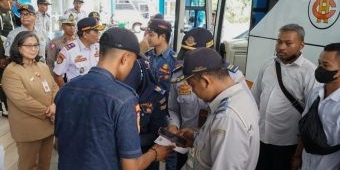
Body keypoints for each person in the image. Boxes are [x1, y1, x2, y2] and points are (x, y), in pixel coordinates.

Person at [55, 27, 172, 170]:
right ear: (125, 58)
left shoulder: (66, 89)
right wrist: (155, 153)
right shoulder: (124, 98)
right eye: (133, 62)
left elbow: (58, 144)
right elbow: (131, 167)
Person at [168, 27, 252, 170]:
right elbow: (173, 108)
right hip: (187, 141)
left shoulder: (232, 79)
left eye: (194, 55)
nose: (188, 61)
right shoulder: (179, 74)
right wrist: (174, 126)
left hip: (213, 144)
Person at [251, 23, 320, 170]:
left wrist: (297, 154)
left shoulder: (309, 72)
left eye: (288, 43)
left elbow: (310, 118)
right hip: (260, 138)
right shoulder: (268, 64)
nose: (281, 47)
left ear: (301, 45)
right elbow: (254, 98)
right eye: (279, 41)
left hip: (287, 145)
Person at [2, 31, 58, 170]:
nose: (33, 49)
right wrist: (49, 111)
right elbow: (23, 101)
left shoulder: (42, 66)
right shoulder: (12, 71)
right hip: (28, 128)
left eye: (36, 45)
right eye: (28, 45)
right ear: (18, 47)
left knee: (44, 164)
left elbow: (55, 87)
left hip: (48, 126)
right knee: (28, 165)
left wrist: (55, 104)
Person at [299, 43, 340, 170]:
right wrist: (296, 156)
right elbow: (304, 128)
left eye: (326, 65)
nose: (319, 68)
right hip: (306, 163)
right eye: (319, 63)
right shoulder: (315, 93)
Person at [123, 57, 169, 170]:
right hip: (120, 156)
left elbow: (158, 133)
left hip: (146, 154)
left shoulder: (156, 96)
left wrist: (125, 142)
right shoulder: (119, 91)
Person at [53, 17, 105, 87]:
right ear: (85, 34)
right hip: (78, 94)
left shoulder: (99, 47)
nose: (98, 34)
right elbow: (57, 75)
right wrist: (67, 92)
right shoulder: (68, 50)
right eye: (95, 31)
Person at [145, 19, 176, 91]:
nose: (147, 37)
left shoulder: (174, 60)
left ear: (163, 37)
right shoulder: (146, 55)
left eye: (151, 34)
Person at [0, 0, 18, 117]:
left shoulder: (11, 12)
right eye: (11, 1)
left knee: (11, 78)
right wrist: (1, 56)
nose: (13, 3)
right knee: (2, 79)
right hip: (2, 53)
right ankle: (4, 107)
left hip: (10, 51)